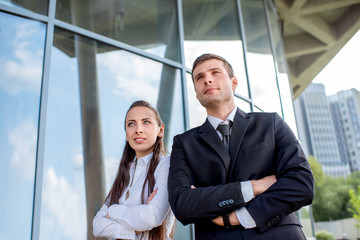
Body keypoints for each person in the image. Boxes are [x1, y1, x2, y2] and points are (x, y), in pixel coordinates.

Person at [168, 53, 314, 239]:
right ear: (196, 93)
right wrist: (253, 186)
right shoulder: (184, 143)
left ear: (234, 82)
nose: (207, 80)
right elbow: (182, 204)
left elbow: (301, 184)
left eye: (215, 72)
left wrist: (237, 217)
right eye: (200, 77)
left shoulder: (271, 124)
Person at [93, 100, 174, 240]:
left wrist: (112, 211)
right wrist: (134, 227)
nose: (138, 129)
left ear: (160, 130)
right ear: (126, 134)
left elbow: (151, 217)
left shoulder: (167, 165)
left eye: (146, 122)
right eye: (131, 124)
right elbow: (97, 226)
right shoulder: (126, 172)